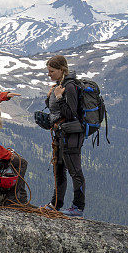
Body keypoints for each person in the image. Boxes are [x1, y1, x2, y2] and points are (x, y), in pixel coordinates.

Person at [40, 55, 86, 217]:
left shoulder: (70, 86)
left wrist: (59, 97)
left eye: (51, 71)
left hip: (72, 135)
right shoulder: (59, 85)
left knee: (74, 170)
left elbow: (70, 113)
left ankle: (78, 207)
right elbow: (57, 111)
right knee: (59, 169)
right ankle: (56, 204)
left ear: (62, 70)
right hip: (61, 134)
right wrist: (50, 98)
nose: (49, 74)